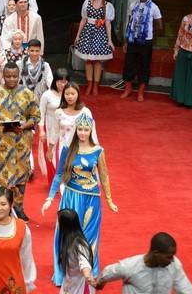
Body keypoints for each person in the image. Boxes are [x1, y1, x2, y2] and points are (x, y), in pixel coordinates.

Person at [41, 112, 117, 283]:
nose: (82, 133)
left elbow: (104, 176)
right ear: (76, 130)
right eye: (80, 129)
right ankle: (65, 271)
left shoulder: (98, 151)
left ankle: (89, 272)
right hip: (71, 197)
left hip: (92, 199)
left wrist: (109, 199)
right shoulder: (68, 149)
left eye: (86, 129)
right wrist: (50, 198)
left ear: (91, 130)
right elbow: (59, 174)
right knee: (67, 233)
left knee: (89, 234)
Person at [0, 62, 41, 221]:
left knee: (20, 177)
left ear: (19, 76)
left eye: (14, 76)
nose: (11, 79)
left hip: (21, 144)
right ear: (3, 76)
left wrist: (24, 125)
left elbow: (36, 116)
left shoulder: (28, 94)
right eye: (8, 76)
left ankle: (18, 208)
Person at [96, 232, 192, 294]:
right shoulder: (130, 267)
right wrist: (100, 282)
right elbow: (108, 272)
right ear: (156, 253)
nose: (172, 260)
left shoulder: (174, 265)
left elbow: (185, 289)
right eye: (169, 257)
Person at [120, 0, 163, 102]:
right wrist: (126, 41)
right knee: (129, 64)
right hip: (132, 39)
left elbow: (160, 26)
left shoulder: (154, 7)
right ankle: (128, 89)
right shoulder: (133, 5)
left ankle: (140, 92)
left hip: (146, 41)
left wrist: (148, 31)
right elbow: (130, 23)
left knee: (144, 66)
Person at [74, 0, 115, 95]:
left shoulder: (107, 5)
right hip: (88, 33)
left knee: (97, 61)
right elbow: (83, 20)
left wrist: (110, 40)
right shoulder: (87, 3)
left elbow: (108, 23)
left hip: (100, 34)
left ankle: (96, 85)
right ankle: (90, 84)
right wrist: (78, 36)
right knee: (88, 60)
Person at [49, 82, 100, 171]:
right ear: (63, 95)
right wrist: (50, 150)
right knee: (64, 174)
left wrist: (96, 151)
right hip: (64, 148)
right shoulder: (59, 112)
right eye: (67, 94)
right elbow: (55, 132)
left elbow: (92, 133)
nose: (70, 96)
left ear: (78, 94)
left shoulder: (85, 112)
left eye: (73, 94)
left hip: (81, 148)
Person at [39, 68, 69, 184]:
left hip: (65, 129)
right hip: (50, 127)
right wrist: (41, 131)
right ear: (55, 81)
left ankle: (64, 182)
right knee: (51, 155)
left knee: (63, 154)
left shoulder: (69, 94)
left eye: (65, 82)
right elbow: (41, 114)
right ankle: (54, 183)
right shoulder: (47, 95)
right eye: (60, 81)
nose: (62, 84)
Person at [55, 209, 96, 294]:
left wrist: (87, 276)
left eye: (58, 222)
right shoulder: (68, 241)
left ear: (64, 225)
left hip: (80, 287)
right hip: (70, 284)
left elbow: (84, 262)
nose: (57, 224)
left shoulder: (79, 245)